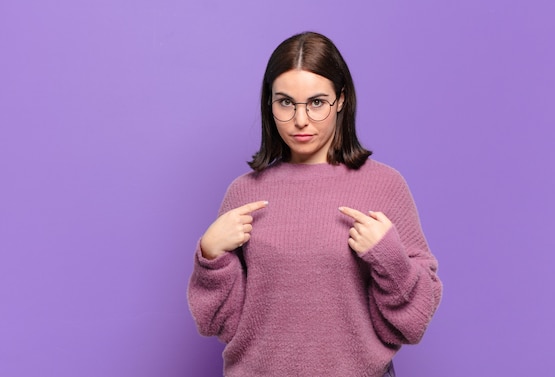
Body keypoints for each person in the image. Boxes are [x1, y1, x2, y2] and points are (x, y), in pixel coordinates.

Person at [187, 31, 442, 377]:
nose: (301, 119)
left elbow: (413, 324)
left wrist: (390, 258)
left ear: (341, 100)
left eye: (317, 102)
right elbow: (218, 323)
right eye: (286, 102)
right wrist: (211, 257)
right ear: (269, 104)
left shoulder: (385, 186)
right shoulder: (243, 193)